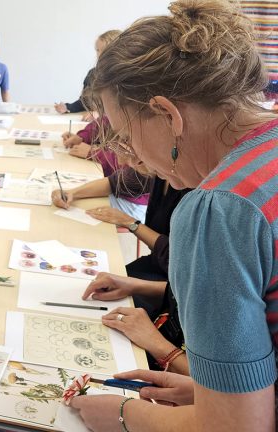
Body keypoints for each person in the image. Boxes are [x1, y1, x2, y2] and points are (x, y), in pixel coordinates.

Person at [70, 1, 278, 430]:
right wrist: (215, 392)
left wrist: (128, 414)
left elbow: (237, 429)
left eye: (127, 136)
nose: (136, 157)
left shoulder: (219, 210)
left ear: (168, 114)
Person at [51, 166, 152, 224]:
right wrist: (71, 193)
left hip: (137, 207)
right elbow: (112, 182)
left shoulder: (146, 169)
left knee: (87, 212)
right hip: (122, 195)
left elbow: (113, 182)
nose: (122, 162)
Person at [55, 29, 120, 117]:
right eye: (97, 50)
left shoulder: (124, 76)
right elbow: (84, 101)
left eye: (102, 50)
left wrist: (101, 115)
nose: (98, 54)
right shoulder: (92, 74)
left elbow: (124, 109)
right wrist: (67, 107)